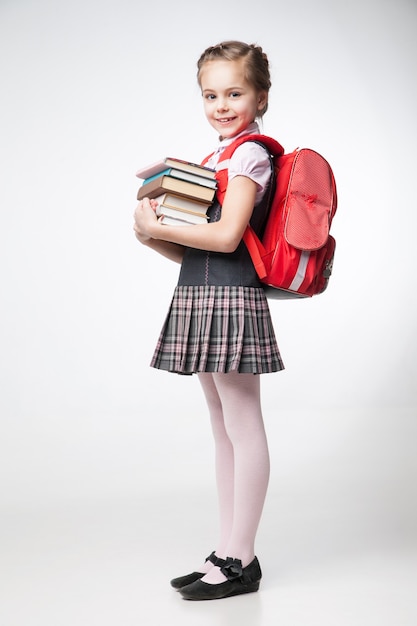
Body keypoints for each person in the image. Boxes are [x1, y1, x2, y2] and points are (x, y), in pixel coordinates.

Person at [133, 40, 284, 601]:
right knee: (223, 428)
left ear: (261, 96)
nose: (221, 104)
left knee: (243, 425)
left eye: (235, 93)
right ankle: (227, 551)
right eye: (210, 94)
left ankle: (242, 559)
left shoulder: (248, 156)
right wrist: (150, 235)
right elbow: (200, 250)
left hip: (230, 298)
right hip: (202, 292)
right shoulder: (214, 158)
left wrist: (160, 228)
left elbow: (223, 236)